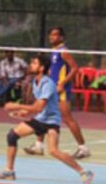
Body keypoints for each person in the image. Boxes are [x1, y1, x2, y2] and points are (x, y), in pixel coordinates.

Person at [0, 54, 94, 184]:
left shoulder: (48, 83)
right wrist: (26, 112)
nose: (31, 65)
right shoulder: (35, 81)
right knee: (12, 135)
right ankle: (9, 172)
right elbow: (38, 105)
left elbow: (39, 106)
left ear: (41, 68)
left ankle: (84, 172)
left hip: (51, 121)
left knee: (53, 151)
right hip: (40, 119)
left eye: (34, 63)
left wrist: (17, 106)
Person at [25, 27, 91, 159]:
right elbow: (56, 69)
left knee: (67, 118)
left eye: (55, 35)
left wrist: (62, 83)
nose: (51, 38)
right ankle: (38, 145)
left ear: (61, 37)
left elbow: (74, 68)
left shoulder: (63, 51)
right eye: (50, 35)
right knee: (42, 113)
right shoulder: (53, 52)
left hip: (61, 90)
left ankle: (83, 148)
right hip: (51, 89)